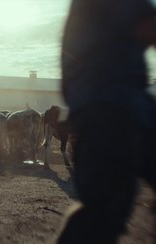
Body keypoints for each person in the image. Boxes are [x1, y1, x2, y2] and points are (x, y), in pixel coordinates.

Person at [53, 0, 156, 243]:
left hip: (127, 103)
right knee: (104, 214)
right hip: (109, 106)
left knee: (104, 210)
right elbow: (147, 25)